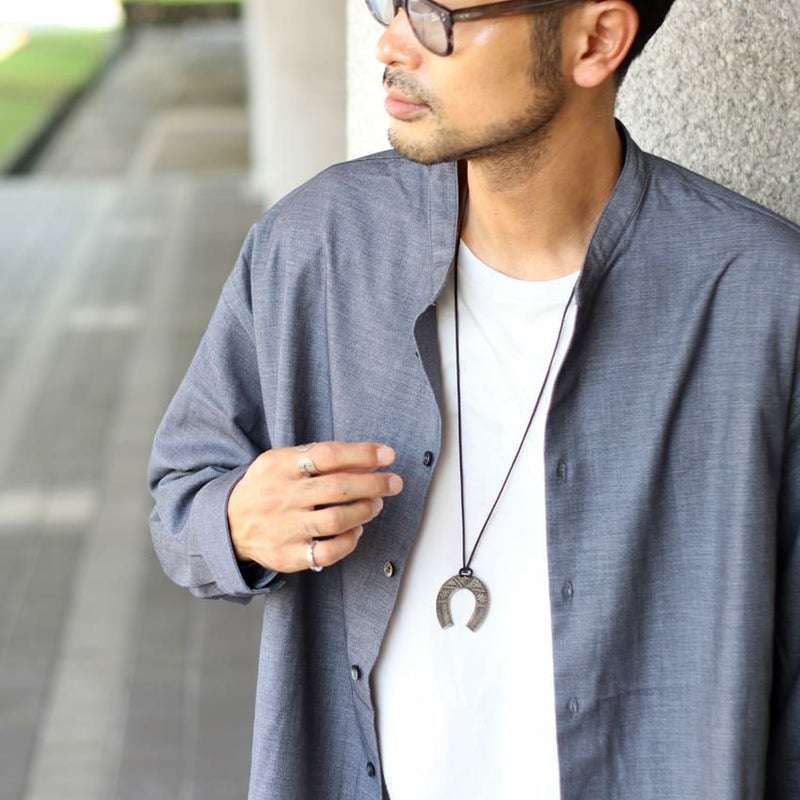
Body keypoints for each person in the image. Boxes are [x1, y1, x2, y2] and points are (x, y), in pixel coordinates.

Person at [148, 0, 800, 797]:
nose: (391, 43)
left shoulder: (763, 299)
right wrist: (240, 522)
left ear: (595, 40)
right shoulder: (316, 246)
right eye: (390, 3)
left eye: (437, 14)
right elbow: (182, 500)